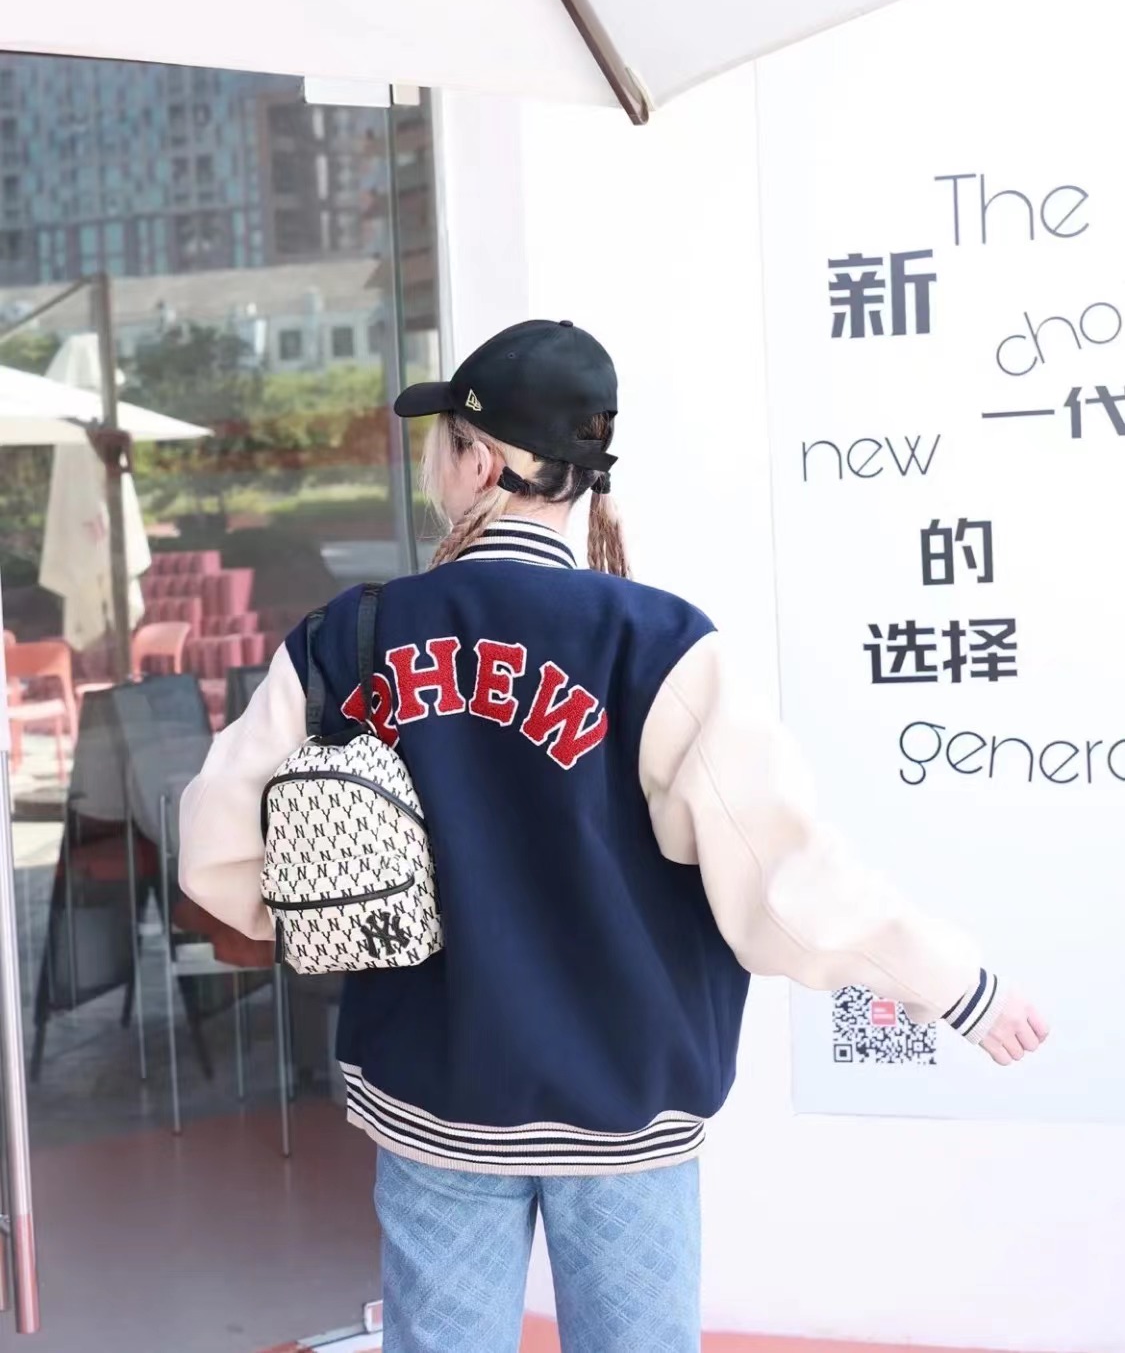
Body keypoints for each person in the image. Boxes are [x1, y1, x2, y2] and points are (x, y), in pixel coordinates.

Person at [179, 320, 1049, 1353]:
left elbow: (218, 846)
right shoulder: (658, 642)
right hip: (625, 1103)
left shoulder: (351, 635)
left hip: (433, 1087)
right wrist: (954, 982)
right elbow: (783, 880)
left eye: (445, 443)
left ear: (479, 461)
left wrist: (289, 920)